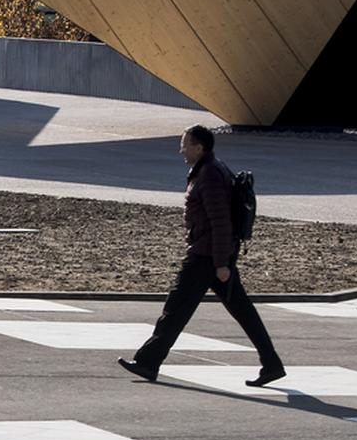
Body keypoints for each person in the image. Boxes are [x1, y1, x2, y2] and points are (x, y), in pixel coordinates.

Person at [118, 125, 285, 387]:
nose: (181, 149)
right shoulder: (211, 169)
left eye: (185, 144)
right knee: (242, 311)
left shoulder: (209, 176)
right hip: (213, 253)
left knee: (176, 308)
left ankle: (148, 362)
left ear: (199, 147)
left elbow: (220, 222)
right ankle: (272, 364)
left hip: (207, 256)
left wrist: (221, 263)